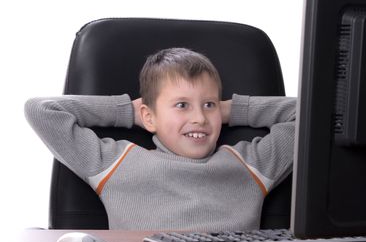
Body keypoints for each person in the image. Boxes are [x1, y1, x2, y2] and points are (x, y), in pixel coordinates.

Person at [25, 48, 296, 231]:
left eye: (208, 105)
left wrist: (229, 110)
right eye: (182, 105)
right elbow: (41, 110)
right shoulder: (117, 163)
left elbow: (310, 114)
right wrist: (129, 112)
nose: (199, 118)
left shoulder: (250, 164)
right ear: (149, 117)